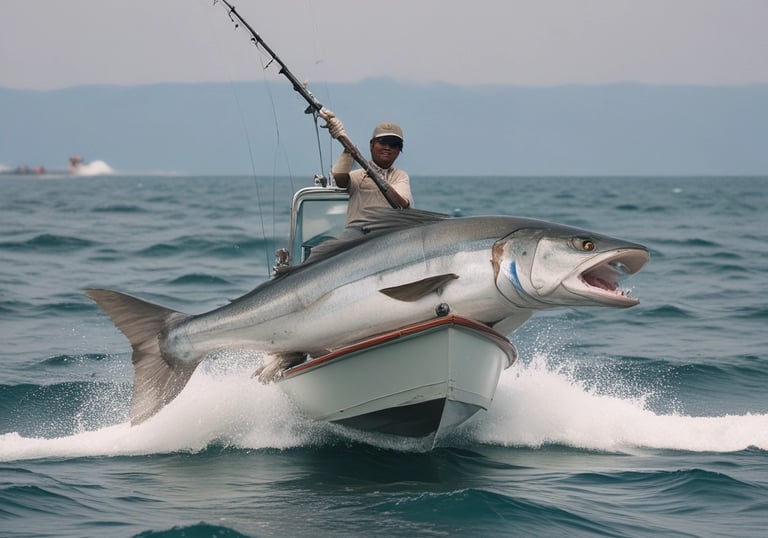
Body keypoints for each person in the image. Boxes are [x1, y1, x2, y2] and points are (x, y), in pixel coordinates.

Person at [323, 115, 412, 246]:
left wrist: (375, 175)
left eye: (394, 144)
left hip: (388, 237)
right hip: (356, 235)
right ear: (372, 145)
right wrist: (348, 150)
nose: (387, 147)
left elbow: (402, 203)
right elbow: (340, 179)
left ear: (399, 150)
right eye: (383, 142)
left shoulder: (400, 176)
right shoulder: (358, 175)